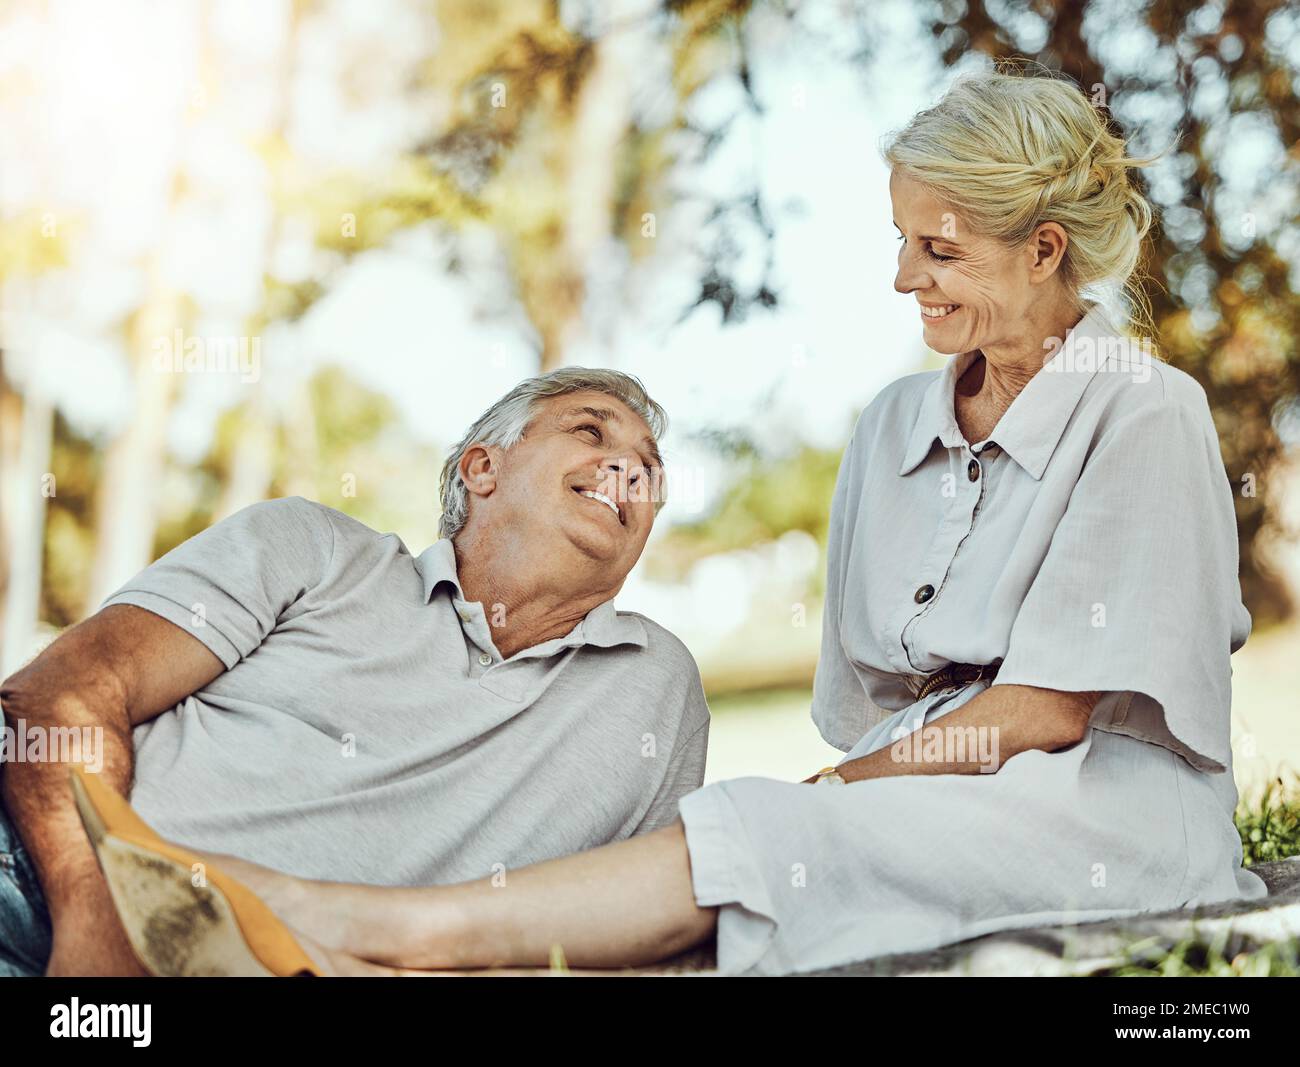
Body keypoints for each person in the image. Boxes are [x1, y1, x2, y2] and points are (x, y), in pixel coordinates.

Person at [43, 66, 1272, 978]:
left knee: (762, 837)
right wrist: (851, 792)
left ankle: (371, 930)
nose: (904, 279)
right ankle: (314, 919)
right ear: (478, 465)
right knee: (761, 849)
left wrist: (839, 797)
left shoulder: (1141, 409)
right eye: (899, 241)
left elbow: (1044, 711)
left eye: (937, 249)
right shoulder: (892, 426)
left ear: (1042, 251)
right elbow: (868, 699)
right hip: (919, 798)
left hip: (1095, 803)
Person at [0, 368, 710, 977]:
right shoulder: (314, 548)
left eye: (649, 465)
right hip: (42, 874)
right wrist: (95, 910)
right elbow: (60, 692)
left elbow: (644, 921)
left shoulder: (658, 688)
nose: (630, 467)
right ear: (482, 468)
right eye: (591, 431)